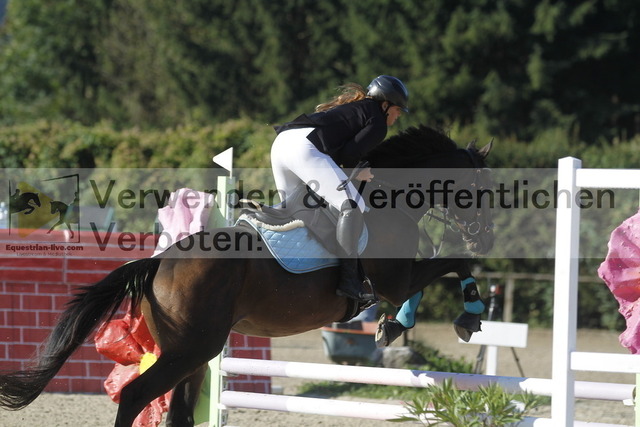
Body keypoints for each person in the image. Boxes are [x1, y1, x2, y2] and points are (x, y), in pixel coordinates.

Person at [270, 75, 409, 305]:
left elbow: (338, 155)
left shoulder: (357, 108)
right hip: (303, 148)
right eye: (397, 110)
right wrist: (358, 172)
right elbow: (348, 155)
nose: (398, 116)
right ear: (385, 105)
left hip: (282, 143)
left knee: (292, 209)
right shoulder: (377, 122)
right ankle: (349, 281)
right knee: (353, 205)